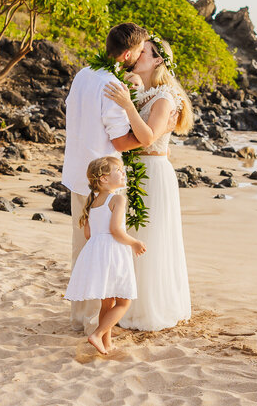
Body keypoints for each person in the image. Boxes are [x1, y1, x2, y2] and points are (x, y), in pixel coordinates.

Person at [103, 34, 194, 331]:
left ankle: (146, 308)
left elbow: (149, 137)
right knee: (129, 234)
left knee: (148, 238)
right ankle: (125, 303)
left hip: (153, 173)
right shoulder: (143, 92)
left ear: (157, 60)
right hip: (132, 171)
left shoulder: (165, 97)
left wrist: (128, 106)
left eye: (145, 51)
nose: (138, 54)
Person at [62, 23, 147, 332]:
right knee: (102, 250)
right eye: (138, 51)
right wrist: (149, 136)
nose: (139, 56)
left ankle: (79, 317)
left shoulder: (84, 75)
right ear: (126, 53)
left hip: (77, 172)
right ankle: (90, 323)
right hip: (101, 179)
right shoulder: (112, 87)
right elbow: (121, 141)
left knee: (81, 248)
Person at [63, 156, 148, 355]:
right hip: (114, 251)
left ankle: (107, 343)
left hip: (96, 252)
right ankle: (97, 334)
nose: (123, 173)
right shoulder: (118, 198)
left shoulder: (93, 200)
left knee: (107, 303)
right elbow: (116, 230)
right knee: (124, 301)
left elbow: (88, 234)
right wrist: (134, 242)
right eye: (118, 171)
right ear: (104, 179)